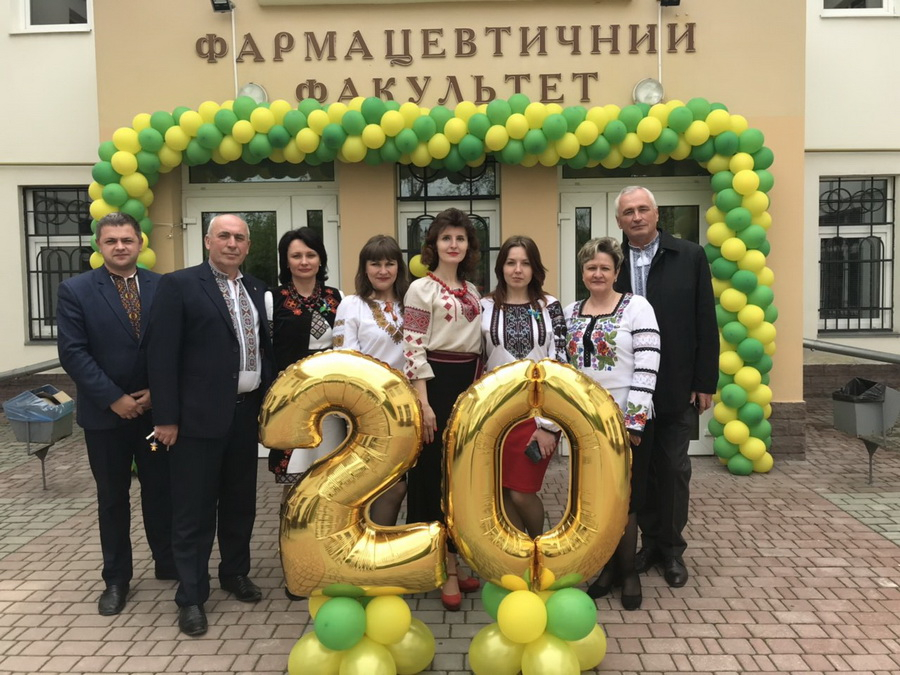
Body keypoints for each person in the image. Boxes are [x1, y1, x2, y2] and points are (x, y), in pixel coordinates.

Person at [146, 213, 274, 636]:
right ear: (207, 241)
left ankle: (234, 573)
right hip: (195, 421)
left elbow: (263, 349)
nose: (232, 243)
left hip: (244, 415)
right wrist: (165, 418)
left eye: (239, 237)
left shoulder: (257, 289)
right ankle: (191, 596)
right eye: (224, 236)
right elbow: (161, 356)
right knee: (194, 511)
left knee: (240, 504)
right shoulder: (180, 285)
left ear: (248, 245)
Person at [56, 212, 174, 617]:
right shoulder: (76, 291)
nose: (120, 247)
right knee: (112, 497)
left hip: (155, 415)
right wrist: (114, 398)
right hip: (105, 418)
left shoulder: (164, 286)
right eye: (111, 241)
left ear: (140, 243)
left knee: (160, 490)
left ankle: (167, 561)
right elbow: (73, 352)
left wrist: (158, 392)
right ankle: (117, 579)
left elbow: (177, 344)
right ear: (99, 245)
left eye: (127, 240)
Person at [613, 186, 718, 589]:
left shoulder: (689, 256)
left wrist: (704, 381)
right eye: (628, 212)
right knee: (641, 471)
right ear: (620, 220)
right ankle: (648, 544)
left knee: (673, 470)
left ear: (657, 215)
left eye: (643, 210)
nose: (636, 217)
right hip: (629, 389)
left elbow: (705, 320)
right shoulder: (612, 260)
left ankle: (671, 549)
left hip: (675, 383)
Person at [565, 237, 660, 610]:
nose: (598, 273)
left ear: (617, 272)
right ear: (582, 273)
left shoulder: (637, 307)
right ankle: (607, 567)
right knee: (598, 499)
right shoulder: (571, 312)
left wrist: (633, 421)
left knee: (626, 497)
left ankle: (628, 572)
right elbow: (564, 368)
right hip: (586, 424)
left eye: (605, 267)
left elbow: (648, 363)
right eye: (591, 267)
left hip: (627, 421)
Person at [402, 207, 482, 610]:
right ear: (433, 245)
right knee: (434, 475)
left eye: (460, 238)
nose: (453, 244)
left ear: (468, 246)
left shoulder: (473, 291)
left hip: (469, 384)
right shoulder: (420, 289)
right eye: (446, 238)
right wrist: (423, 401)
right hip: (435, 385)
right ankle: (442, 566)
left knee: (460, 475)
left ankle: (456, 553)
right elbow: (413, 346)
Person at [480, 236, 567, 538]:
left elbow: (561, 365)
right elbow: (477, 361)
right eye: (511, 262)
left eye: (525, 263)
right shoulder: (484, 306)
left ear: (535, 268)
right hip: (497, 413)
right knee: (503, 491)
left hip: (538, 414)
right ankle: (519, 554)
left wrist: (549, 426)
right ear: (501, 267)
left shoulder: (550, 306)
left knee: (521, 492)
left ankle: (538, 544)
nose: (518, 270)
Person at [333, 234, 409, 526]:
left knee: (395, 485)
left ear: (399, 267)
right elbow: (345, 359)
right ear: (364, 268)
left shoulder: (410, 303)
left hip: (404, 410)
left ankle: (379, 542)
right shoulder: (352, 304)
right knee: (367, 484)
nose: (383, 270)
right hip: (366, 411)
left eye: (390, 263)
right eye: (375, 263)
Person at [267, 228, 343, 489]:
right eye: (296, 256)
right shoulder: (273, 299)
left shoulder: (338, 297)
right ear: (286, 262)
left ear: (320, 259)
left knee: (330, 472)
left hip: (330, 400)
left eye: (310, 255)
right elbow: (268, 351)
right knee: (295, 477)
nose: (304, 261)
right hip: (292, 399)